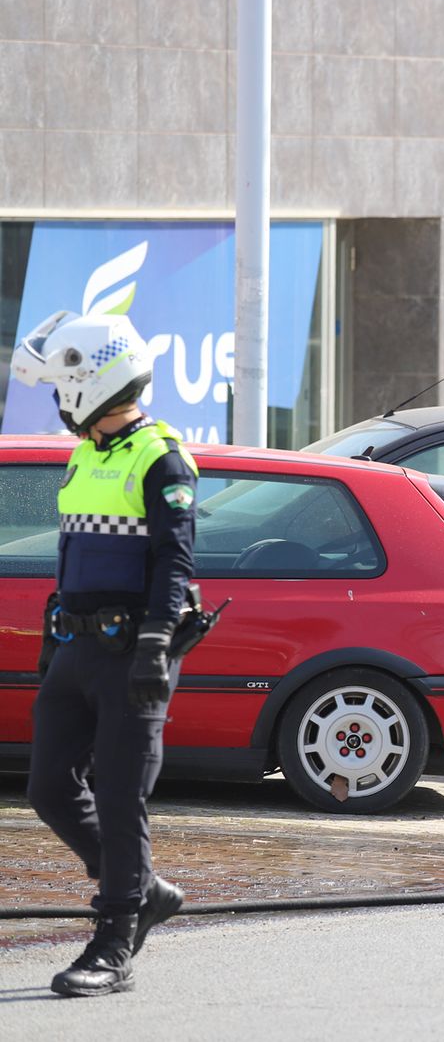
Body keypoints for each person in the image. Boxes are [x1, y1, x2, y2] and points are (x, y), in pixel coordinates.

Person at [11, 311, 197, 997]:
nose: (60, 403)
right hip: (76, 645)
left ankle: (115, 938)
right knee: (48, 786)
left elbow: (174, 560)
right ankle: (142, 886)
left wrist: (154, 644)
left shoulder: (162, 456)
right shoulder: (86, 451)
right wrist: (52, 627)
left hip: (131, 651)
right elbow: (76, 554)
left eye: (64, 388)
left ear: (94, 381)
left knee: (121, 797)